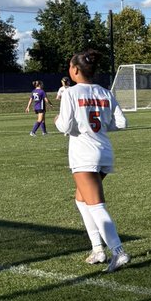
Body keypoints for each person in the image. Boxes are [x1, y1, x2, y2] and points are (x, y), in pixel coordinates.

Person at [54, 49, 129, 271]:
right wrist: (100, 127)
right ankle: (98, 249)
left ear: (75, 70)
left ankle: (118, 251)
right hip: (104, 151)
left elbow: (65, 126)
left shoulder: (70, 93)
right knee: (81, 200)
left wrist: (57, 119)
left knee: (96, 205)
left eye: (70, 66)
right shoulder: (105, 92)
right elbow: (122, 123)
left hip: (84, 154)